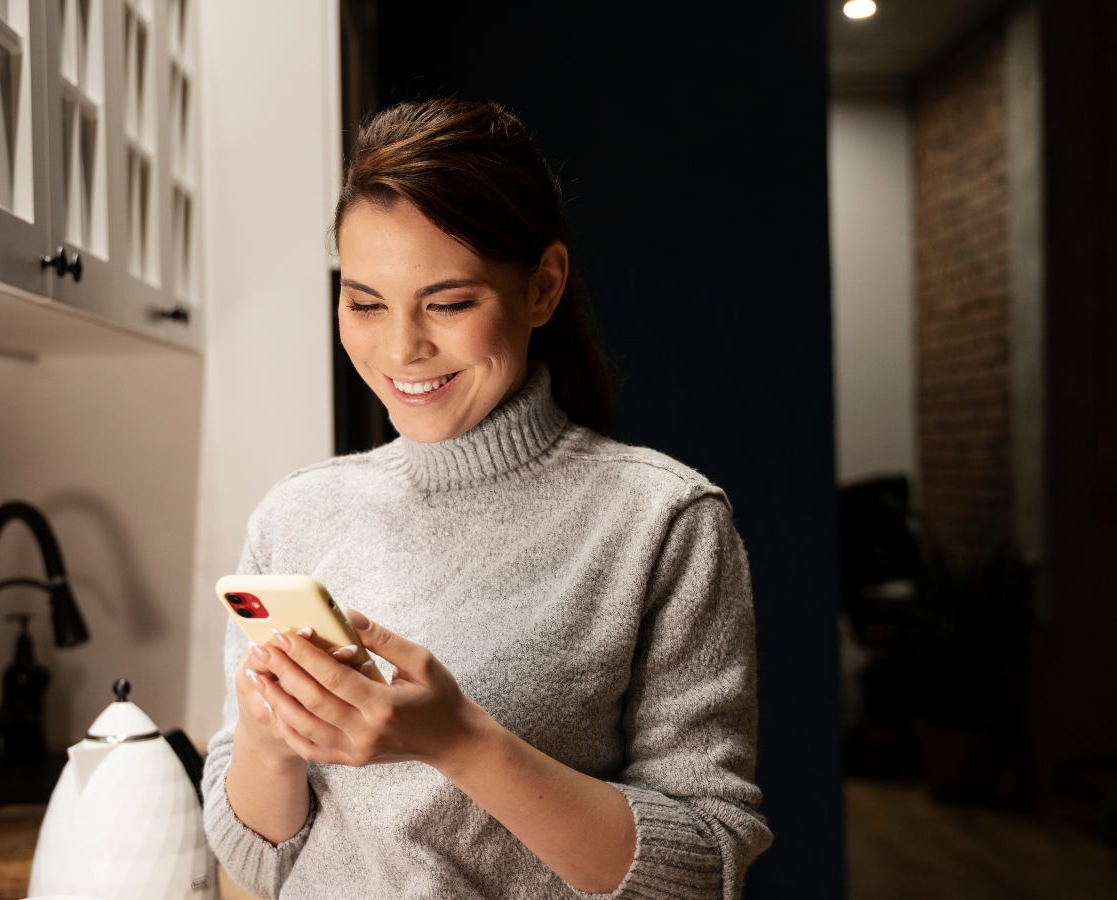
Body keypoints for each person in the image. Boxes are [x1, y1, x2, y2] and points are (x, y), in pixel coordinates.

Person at [200, 98, 773, 899]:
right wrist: (268, 740)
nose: (402, 347)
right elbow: (258, 865)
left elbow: (702, 871)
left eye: (449, 302)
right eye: (365, 303)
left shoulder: (663, 522)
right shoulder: (296, 515)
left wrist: (460, 740)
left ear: (541, 288)